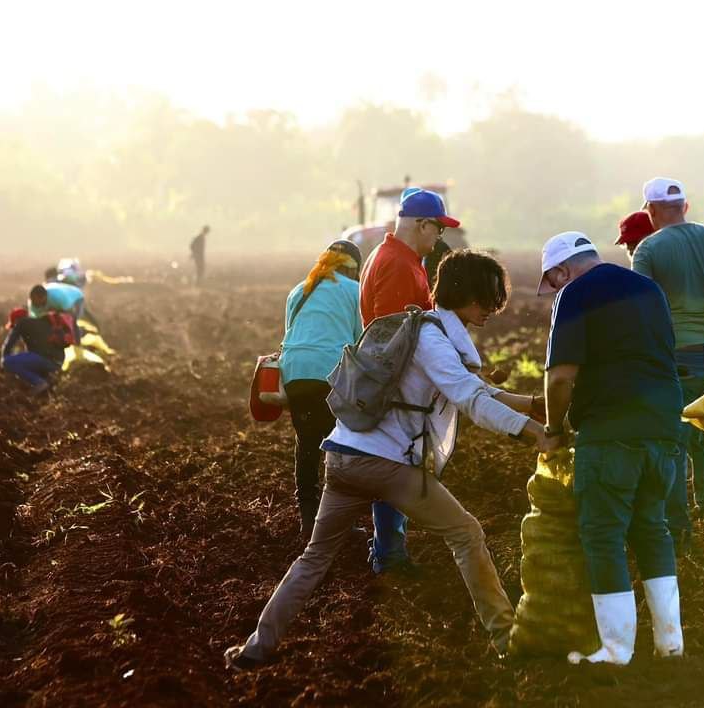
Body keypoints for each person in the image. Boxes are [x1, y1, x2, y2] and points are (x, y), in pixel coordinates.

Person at [225, 250, 548, 670]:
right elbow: (469, 398)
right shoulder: (433, 340)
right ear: (467, 295)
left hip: (341, 458)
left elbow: (470, 385)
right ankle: (507, 638)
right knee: (466, 533)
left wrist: (530, 406)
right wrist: (533, 434)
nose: (490, 311)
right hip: (385, 465)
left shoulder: (418, 331)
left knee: (315, 556)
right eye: (487, 301)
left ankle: (256, 646)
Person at [539, 231, 684, 665]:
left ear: (563, 270)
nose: (555, 290)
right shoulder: (649, 288)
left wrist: (552, 427)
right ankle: (670, 645)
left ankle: (617, 651)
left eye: (554, 280)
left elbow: (560, 377)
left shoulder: (575, 294)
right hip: (663, 428)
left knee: (603, 534)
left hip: (611, 431)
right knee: (652, 529)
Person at [631, 177, 704, 553]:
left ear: (651, 210)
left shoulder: (648, 248)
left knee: (674, 444)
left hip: (678, 355)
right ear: (685, 206)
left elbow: (641, 305)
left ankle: (679, 530)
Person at [358, 188, 456, 574]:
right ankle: (389, 554)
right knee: (396, 466)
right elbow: (396, 339)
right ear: (421, 224)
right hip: (396, 386)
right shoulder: (400, 265)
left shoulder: (394, 257)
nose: (440, 238)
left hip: (390, 384)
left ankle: (386, 547)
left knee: (395, 465)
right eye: (438, 229)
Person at [280, 239, 364, 537]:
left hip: (296, 373)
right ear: (354, 269)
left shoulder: (299, 290)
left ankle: (307, 521)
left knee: (307, 443)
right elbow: (359, 341)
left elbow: (291, 333)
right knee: (339, 446)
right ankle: (338, 524)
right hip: (331, 373)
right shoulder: (355, 291)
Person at [1, 305, 67, 396]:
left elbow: (9, 344)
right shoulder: (42, 322)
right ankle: (47, 387)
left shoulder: (21, 322)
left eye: (13, 325)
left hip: (43, 360)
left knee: (8, 361)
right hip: (57, 363)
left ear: (16, 321)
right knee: (31, 362)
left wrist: (3, 360)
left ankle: (39, 382)